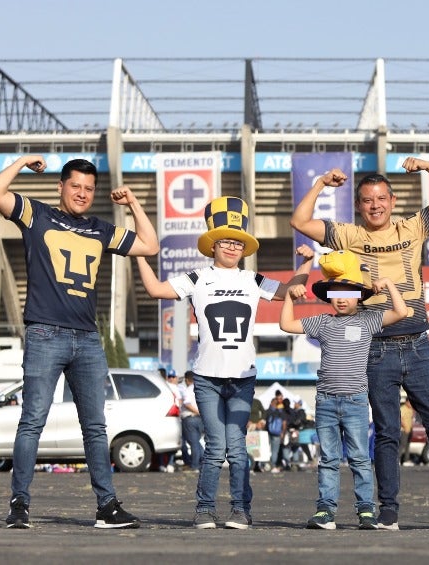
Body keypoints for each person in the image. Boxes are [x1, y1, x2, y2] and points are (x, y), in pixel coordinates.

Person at [290, 160, 429, 530]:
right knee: (389, 431)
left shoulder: (414, 225)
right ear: (358, 206)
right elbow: (300, 222)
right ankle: (387, 508)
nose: (374, 205)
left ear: (392, 201)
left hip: (418, 343)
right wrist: (320, 183)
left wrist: (428, 166)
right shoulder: (347, 235)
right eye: (366, 200)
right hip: (375, 346)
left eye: (380, 199)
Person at [0, 155, 159, 529]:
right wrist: (19, 162)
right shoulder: (36, 215)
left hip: (87, 338)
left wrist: (133, 204)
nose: (82, 193)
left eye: (89, 188)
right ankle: (19, 504)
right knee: (32, 421)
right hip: (46, 331)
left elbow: (150, 245)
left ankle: (106, 507)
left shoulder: (100, 228)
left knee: (95, 427)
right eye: (75, 186)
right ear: (60, 187)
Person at [134, 196, 312, 529]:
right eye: (225, 241)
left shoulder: (252, 279)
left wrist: (307, 263)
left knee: (238, 449)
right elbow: (156, 289)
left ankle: (241, 510)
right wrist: (141, 257)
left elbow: (289, 290)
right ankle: (204, 510)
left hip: (243, 377)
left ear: (244, 248)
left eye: (237, 242)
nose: (231, 247)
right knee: (215, 447)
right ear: (212, 244)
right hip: (206, 377)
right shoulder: (197, 278)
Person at [280, 249, 407, 530]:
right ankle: (325, 511)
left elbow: (402, 311)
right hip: (325, 400)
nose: (341, 297)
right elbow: (286, 324)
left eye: (348, 292)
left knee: (361, 458)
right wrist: (289, 296)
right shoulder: (322, 322)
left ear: (359, 296)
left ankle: (366, 511)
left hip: (356, 401)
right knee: (328, 459)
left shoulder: (368, 320)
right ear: (328, 296)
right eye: (335, 292)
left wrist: (388, 285)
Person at [180, 371, 204, 472]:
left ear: (186, 380)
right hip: (200, 420)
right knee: (196, 442)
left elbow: (187, 403)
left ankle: (195, 465)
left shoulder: (188, 390)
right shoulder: (201, 389)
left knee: (193, 442)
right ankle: (203, 462)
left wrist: (197, 412)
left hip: (190, 418)